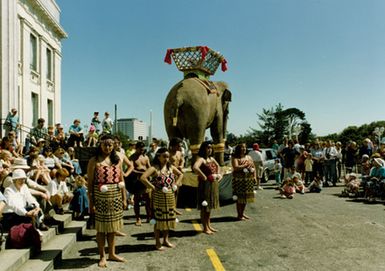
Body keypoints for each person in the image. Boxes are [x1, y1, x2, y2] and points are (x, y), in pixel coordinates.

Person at [87, 134, 127, 267]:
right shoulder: (94, 160)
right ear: (100, 144)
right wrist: (91, 202)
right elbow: (90, 183)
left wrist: (124, 198)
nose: (108, 147)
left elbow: (121, 179)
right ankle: (102, 256)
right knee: (101, 229)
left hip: (115, 196)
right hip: (100, 197)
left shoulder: (117, 160)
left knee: (112, 228)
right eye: (105, 144)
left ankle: (112, 253)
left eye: (110, 145)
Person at [140, 147, 183, 250]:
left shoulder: (171, 167)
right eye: (164, 156)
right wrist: (153, 187)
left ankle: (166, 240)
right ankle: (157, 242)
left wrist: (176, 184)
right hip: (158, 197)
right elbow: (143, 178)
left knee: (168, 219)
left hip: (170, 196)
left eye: (168, 156)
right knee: (158, 219)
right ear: (158, 157)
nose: (166, 158)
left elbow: (181, 174)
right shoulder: (154, 168)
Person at [193, 141, 222, 234]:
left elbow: (219, 166)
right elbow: (195, 167)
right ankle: (205, 227)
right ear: (203, 149)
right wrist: (203, 176)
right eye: (207, 147)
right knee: (204, 206)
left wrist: (219, 175)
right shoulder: (201, 159)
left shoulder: (212, 159)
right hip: (205, 185)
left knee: (209, 206)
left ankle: (208, 225)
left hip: (213, 184)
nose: (209, 149)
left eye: (210, 148)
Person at [128, 141, 152, 226]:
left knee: (148, 200)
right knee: (137, 200)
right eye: (140, 149)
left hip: (145, 180)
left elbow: (149, 167)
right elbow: (131, 169)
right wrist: (140, 173)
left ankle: (149, 217)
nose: (142, 151)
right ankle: (138, 218)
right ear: (136, 148)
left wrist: (148, 174)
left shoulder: (146, 157)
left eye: (143, 149)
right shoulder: (132, 157)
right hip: (137, 181)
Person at [231, 143, 256, 220]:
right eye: (242, 147)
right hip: (239, 181)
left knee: (245, 198)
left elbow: (253, 167)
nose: (244, 149)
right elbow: (236, 167)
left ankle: (242, 213)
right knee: (239, 198)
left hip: (248, 180)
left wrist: (254, 176)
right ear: (238, 149)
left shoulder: (249, 157)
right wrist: (245, 165)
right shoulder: (235, 158)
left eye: (245, 147)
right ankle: (239, 214)